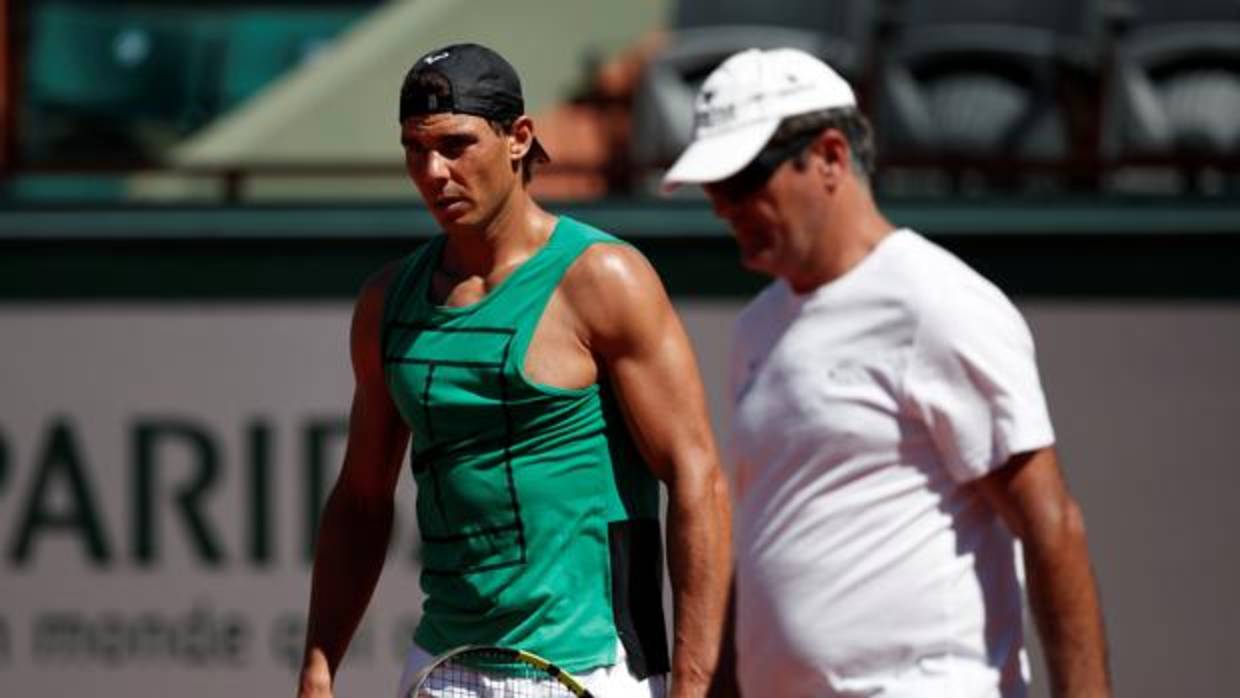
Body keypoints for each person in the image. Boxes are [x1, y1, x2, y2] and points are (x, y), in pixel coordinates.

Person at [663, 48, 1111, 697]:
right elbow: (768, 541)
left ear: (830, 157)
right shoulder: (756, 327)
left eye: (741, 182)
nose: (722, 207)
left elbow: (1051, 527)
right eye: (713, 188)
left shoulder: (936, 302)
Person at [296, 43, 732, 698]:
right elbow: (361, 498)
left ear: (518, 139)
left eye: (456, 144)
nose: (433, 171)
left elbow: (697, 480)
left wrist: (694, 691)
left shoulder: (605, 278)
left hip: (592, 666)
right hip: (442, 663)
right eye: (416, 150)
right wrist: (319, 664)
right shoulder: (388, 303)